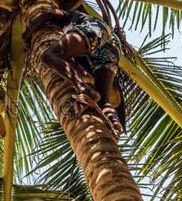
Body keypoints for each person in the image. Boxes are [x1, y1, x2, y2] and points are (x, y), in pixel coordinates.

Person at [24, 8, 123, 138]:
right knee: (103, 100)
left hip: (95, 29)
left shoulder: (71, 15)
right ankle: (114, 123)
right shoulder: (74, 33)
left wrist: (26, 34)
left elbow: (49, 13)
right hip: (114, 47)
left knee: (49, 56)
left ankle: (84, 90)